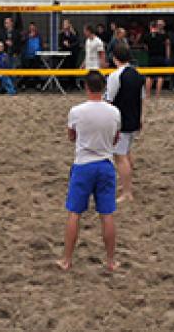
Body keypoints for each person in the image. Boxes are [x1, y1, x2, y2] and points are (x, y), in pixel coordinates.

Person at [56, 70, 120, 273]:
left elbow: (71, 136)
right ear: (103, 88)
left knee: (74, 213)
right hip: (105, 164)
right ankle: (110, 261)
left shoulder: (76, 111)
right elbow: (115, 139)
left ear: (86, 87)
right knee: (107, 214)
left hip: (83, 164)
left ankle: (67, 260)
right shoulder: (114, 112)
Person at [104, 43, 145, 203]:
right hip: (134, 118)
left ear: (115, 58)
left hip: (121, 121)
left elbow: (109, 100)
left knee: (120, 157)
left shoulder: (115, 76)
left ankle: (127, 192)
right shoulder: (137, 74)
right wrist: (141, 118)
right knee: (126, 153)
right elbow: (142, 98)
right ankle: (126, 184)